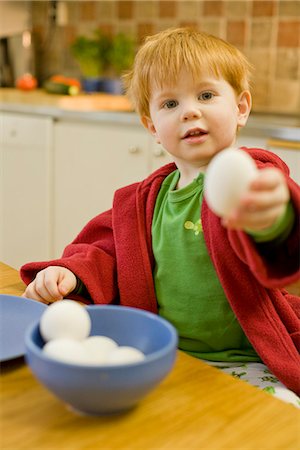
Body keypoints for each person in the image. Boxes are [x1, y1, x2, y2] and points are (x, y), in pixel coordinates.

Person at [21, 28, 300, 406]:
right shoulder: (143, 201)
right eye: (169, 104)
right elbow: (105, 251)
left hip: (254, 362)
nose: (189, 111)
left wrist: (270, 216)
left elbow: (281, 226)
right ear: (152, 126)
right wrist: (70, 273)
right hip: (168, 358)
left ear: (241, 108)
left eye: (205, 95)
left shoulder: (251, 176)